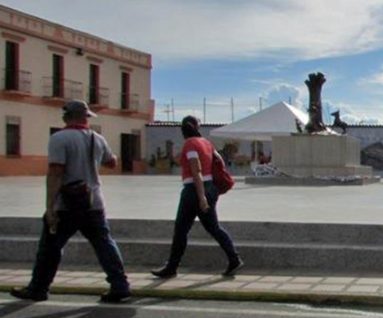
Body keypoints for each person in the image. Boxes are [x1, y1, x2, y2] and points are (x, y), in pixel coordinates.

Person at [10, 100, 131, 303]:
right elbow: (112, 163)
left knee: (50, 247)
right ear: (85, 117)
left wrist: (50, 208)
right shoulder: (97, 139)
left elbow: (55, 173)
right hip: (94, 202)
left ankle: (38, 288)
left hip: (67, 204)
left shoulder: (59, 138)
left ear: (66, 117)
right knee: (104, 244)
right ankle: (120, 285)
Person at [151, 116, 243, 278]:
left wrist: (201, 197)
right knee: (214, 227)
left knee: (181, 230)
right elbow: (219, 161)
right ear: (197, 127)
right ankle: (234, 258)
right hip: (209, 187)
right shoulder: (206, 143)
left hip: (194, 190)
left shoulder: (190, 144)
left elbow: (196, 170)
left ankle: (172, 267)